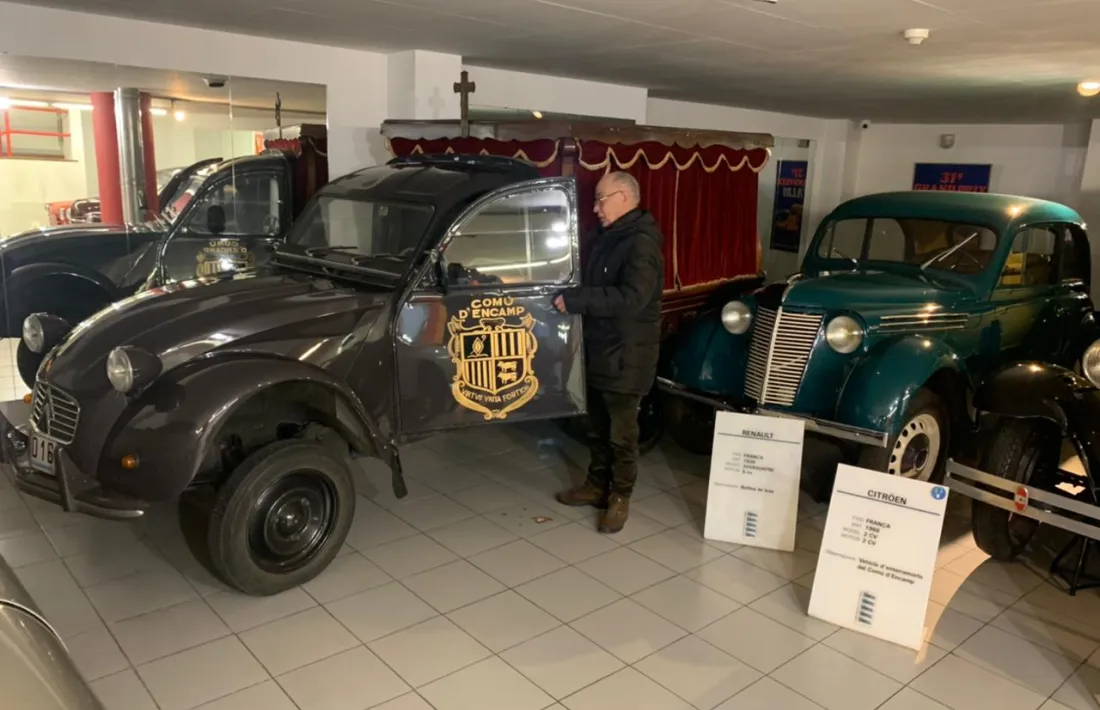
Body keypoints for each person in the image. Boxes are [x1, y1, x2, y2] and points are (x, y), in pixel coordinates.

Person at [552, 171, 665, 534]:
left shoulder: (641, 243)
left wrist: (576, 301)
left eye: (601, 199)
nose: (595, 207)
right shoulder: (607, 238)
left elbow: (632, 298)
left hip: (626, 356)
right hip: (602, 350)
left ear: (624, 197)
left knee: (621, 434)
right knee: (597, 427)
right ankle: (595, 485)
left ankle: (620, 496)